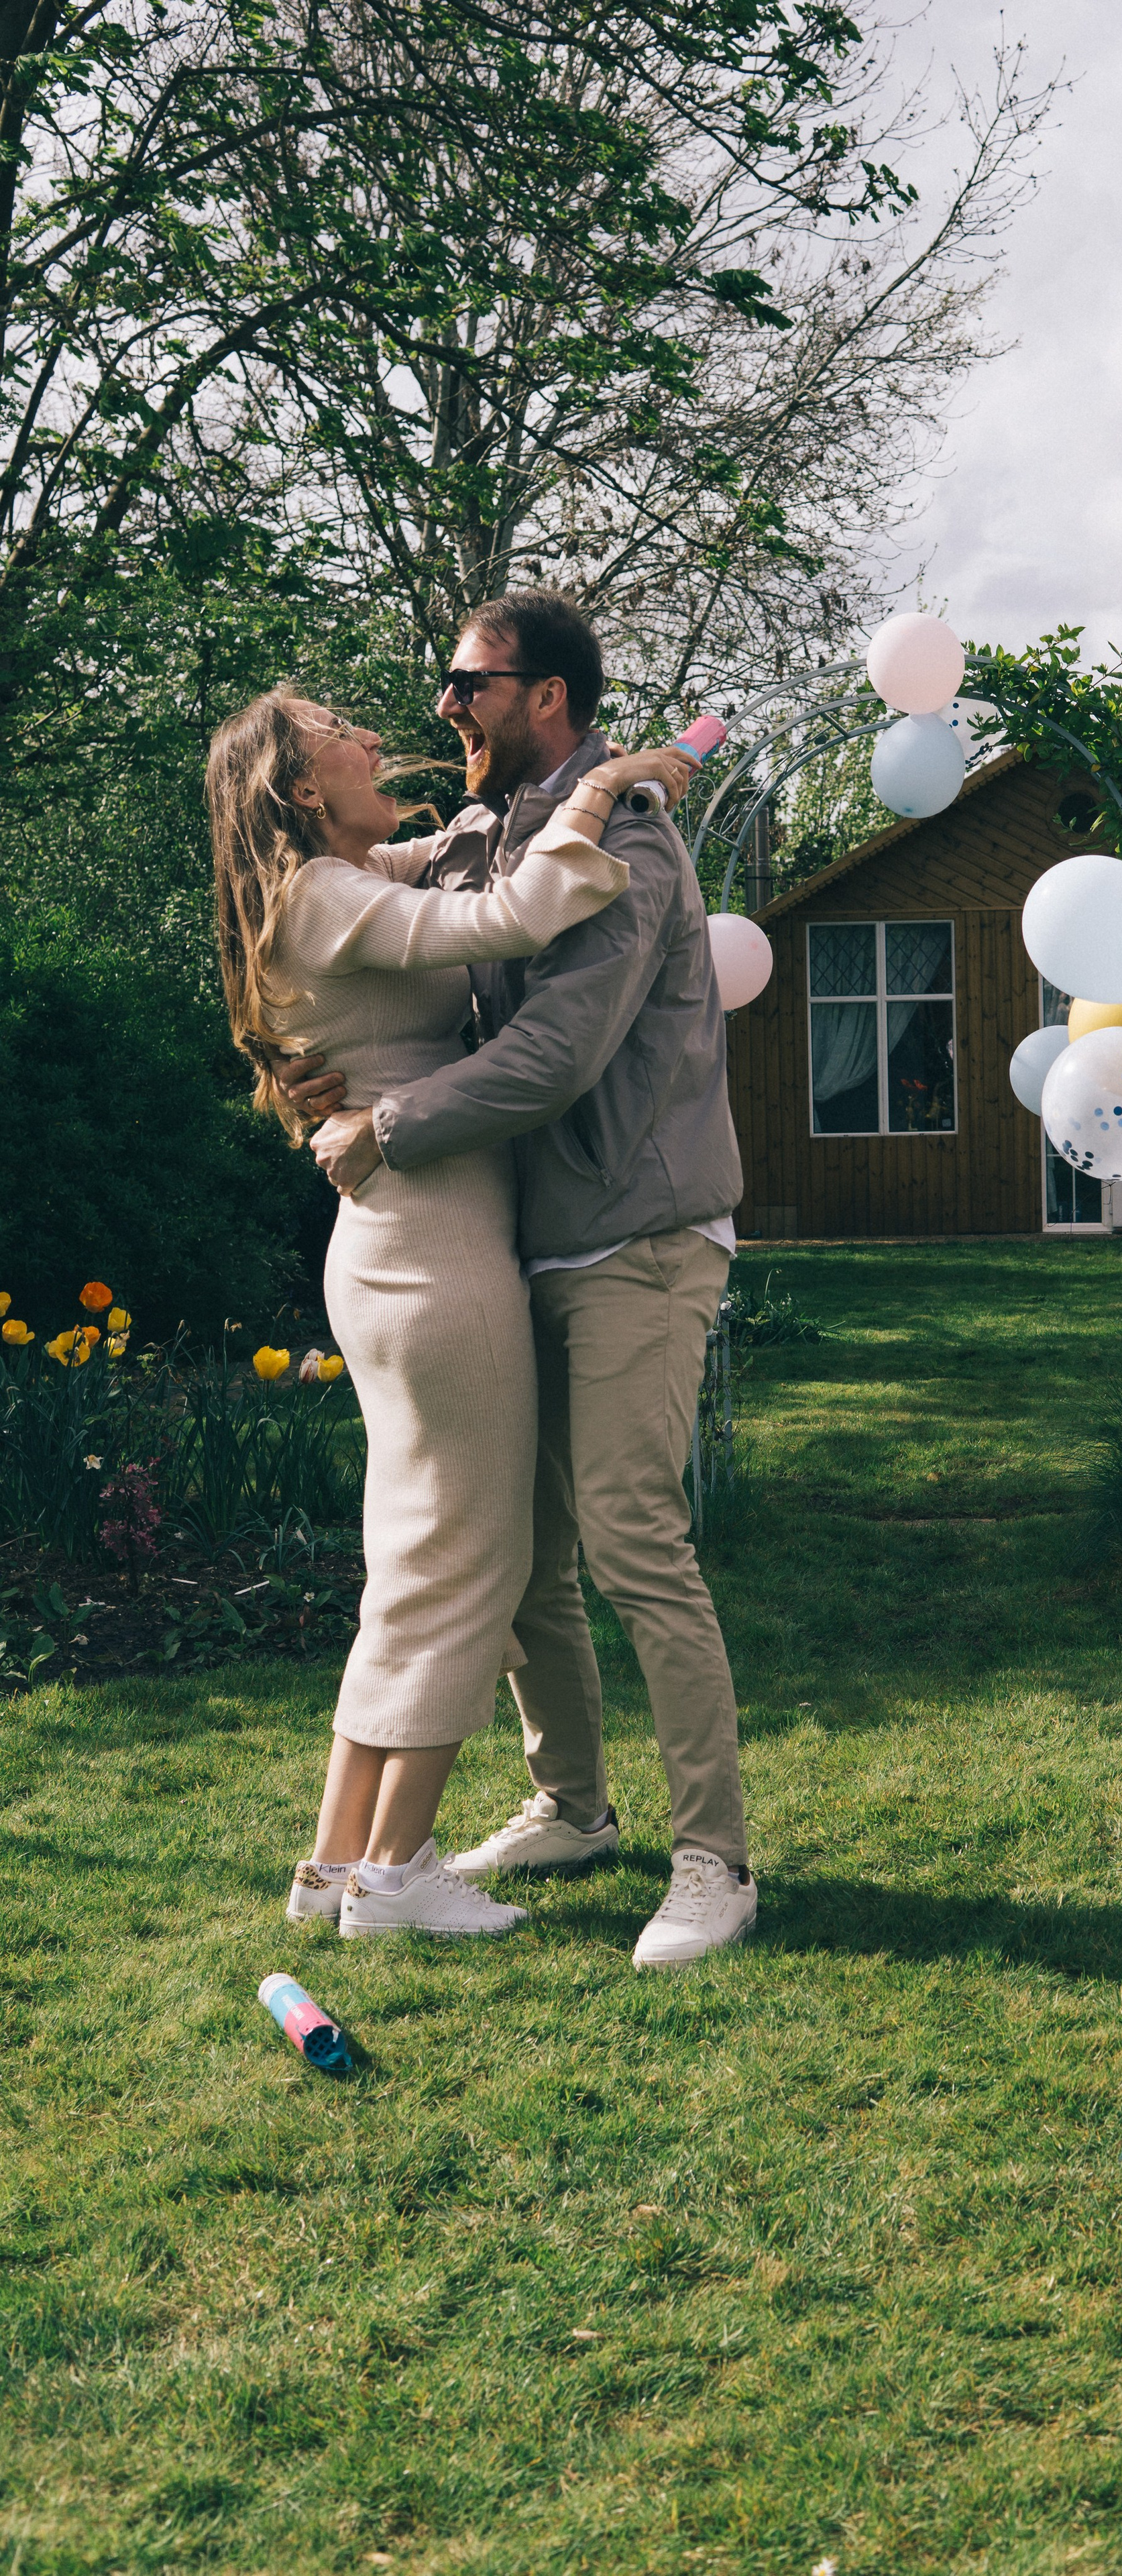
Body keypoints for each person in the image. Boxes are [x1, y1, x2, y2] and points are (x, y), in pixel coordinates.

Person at [278, 590, 756, 1970]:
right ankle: (570, 1805)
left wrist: (388, 1130)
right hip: (520, 1238)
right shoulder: (485, 835)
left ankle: (713, 1859)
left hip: (637, 1237)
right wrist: (314, 1075)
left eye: (465, 684)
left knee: (626, 1538)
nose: (443, 707)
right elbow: (374, 972)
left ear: (543, 695)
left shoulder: (633, 843)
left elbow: (554, 1054)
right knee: (524, 1560)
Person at [209, 684, 690, 1938]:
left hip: (400, 1247)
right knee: (474, 1560)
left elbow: (474, 856)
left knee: (414, 1563)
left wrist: (613, 765)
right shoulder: (327, 893)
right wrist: (604, 788)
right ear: (304, 790)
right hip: (436, 1254)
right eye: (339, 738)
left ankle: (332, 1867)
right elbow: (519, 906)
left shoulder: (334, 878)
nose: (374, 738)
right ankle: (398, 1873)